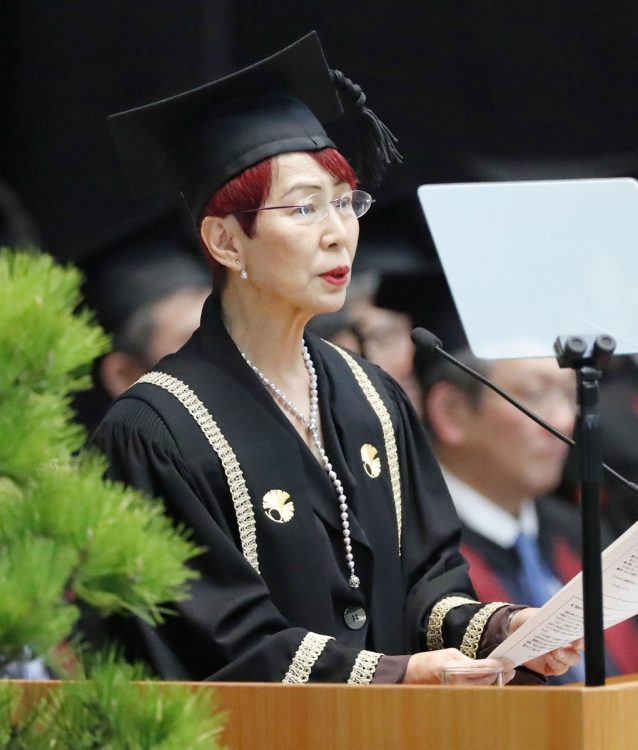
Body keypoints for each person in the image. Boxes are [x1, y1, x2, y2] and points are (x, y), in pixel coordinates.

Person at [91, 32, 580, 684]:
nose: (337, 231)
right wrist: (396, 676)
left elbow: (426, 586)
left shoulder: (371, 398)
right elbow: (216, 637)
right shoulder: (157, 431)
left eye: (345, 202)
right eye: (304, 207)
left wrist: (499, 628)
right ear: (226, 240)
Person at [417, 346, 638, 680]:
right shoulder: (415, 544)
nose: (564, 420)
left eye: (569, 394)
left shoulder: (578, 531)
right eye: (534, 394)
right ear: (452, 411)